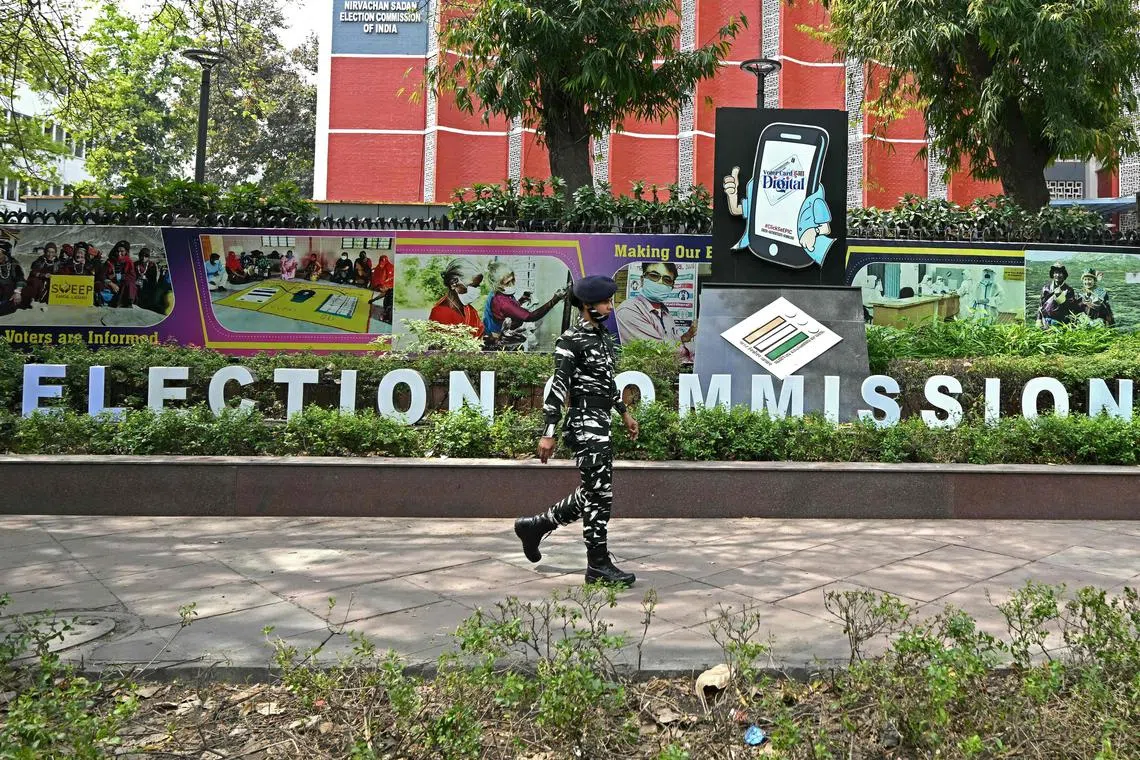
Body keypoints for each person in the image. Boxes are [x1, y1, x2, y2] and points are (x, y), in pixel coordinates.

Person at [513, 275, 641, 587]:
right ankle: (598, 564)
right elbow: (559, 386)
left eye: (611, 302)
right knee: (600, 495)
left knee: (595, 493)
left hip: (602, 422)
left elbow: (606, 382)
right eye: (605, 302)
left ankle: (537, 526)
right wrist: (548, 431)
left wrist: (623, 412)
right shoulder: (570, 341)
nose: (610, 307)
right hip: (584, 424)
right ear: (586, 305)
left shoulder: (602, 338)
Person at [614, 262, 696, 362]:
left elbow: (671, 343)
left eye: (667, 280)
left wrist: (688, 335)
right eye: (654, 276)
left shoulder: (665, 312)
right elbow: (659, 352)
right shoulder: (629, 311)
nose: (660, 282)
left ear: (672, 287)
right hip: (643, 376)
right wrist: (694, 351)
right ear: (642, 279)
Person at [482, 260, 566, 349]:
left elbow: (506, 311)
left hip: (496, 335)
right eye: (507, 283)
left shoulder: (496, 294)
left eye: (513, 280)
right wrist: (554, 300)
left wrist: (521, 301)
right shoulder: (502, 301)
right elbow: (531, 317)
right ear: (497, 284)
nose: (511, 284)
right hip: (499, 341)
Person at [428, 258, 485, 337]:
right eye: (472, 286)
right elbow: (438, 346)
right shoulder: (440, 312)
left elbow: (479, 333)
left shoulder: (470, 310)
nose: (476, 290)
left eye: (477, 286)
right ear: (453, 283)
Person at [1038, 262, 1079, 327]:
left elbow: (1071, 307)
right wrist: (1039, 320)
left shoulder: (1068, 290)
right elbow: (1041, 305)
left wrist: (1060, 296)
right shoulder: (1046, 288)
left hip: (1060, 322)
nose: (1057, 275)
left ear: (1064, 275)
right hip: (1045, 321)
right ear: (1052, 274)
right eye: (1055, 273)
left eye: (1060, 273)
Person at [106, 241, 137, 308]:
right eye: (118, 251)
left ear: (126, 252)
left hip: (123, 284)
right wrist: (111, 283)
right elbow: (103, 275)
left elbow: (132, 277)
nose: (119, 253)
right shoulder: (110, 261)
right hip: (110, 283)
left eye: (122, 251)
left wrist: (118, 276)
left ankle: (125, 302)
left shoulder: (129, 262)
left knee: (129, 283)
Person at [0, 240, 27, 313]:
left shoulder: (14, 263)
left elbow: (20, 278)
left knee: (13, 304)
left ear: (5, 253)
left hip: (11, 289)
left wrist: (17, 292)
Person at [370, 253, 394, 323]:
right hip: (387, 288)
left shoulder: (390, 267)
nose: (380, 290)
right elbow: (383, 293)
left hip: (393, 308)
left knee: (389, 301)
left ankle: (388, 315)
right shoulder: (389, 291)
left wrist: (386, 314)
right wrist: (373, 300)